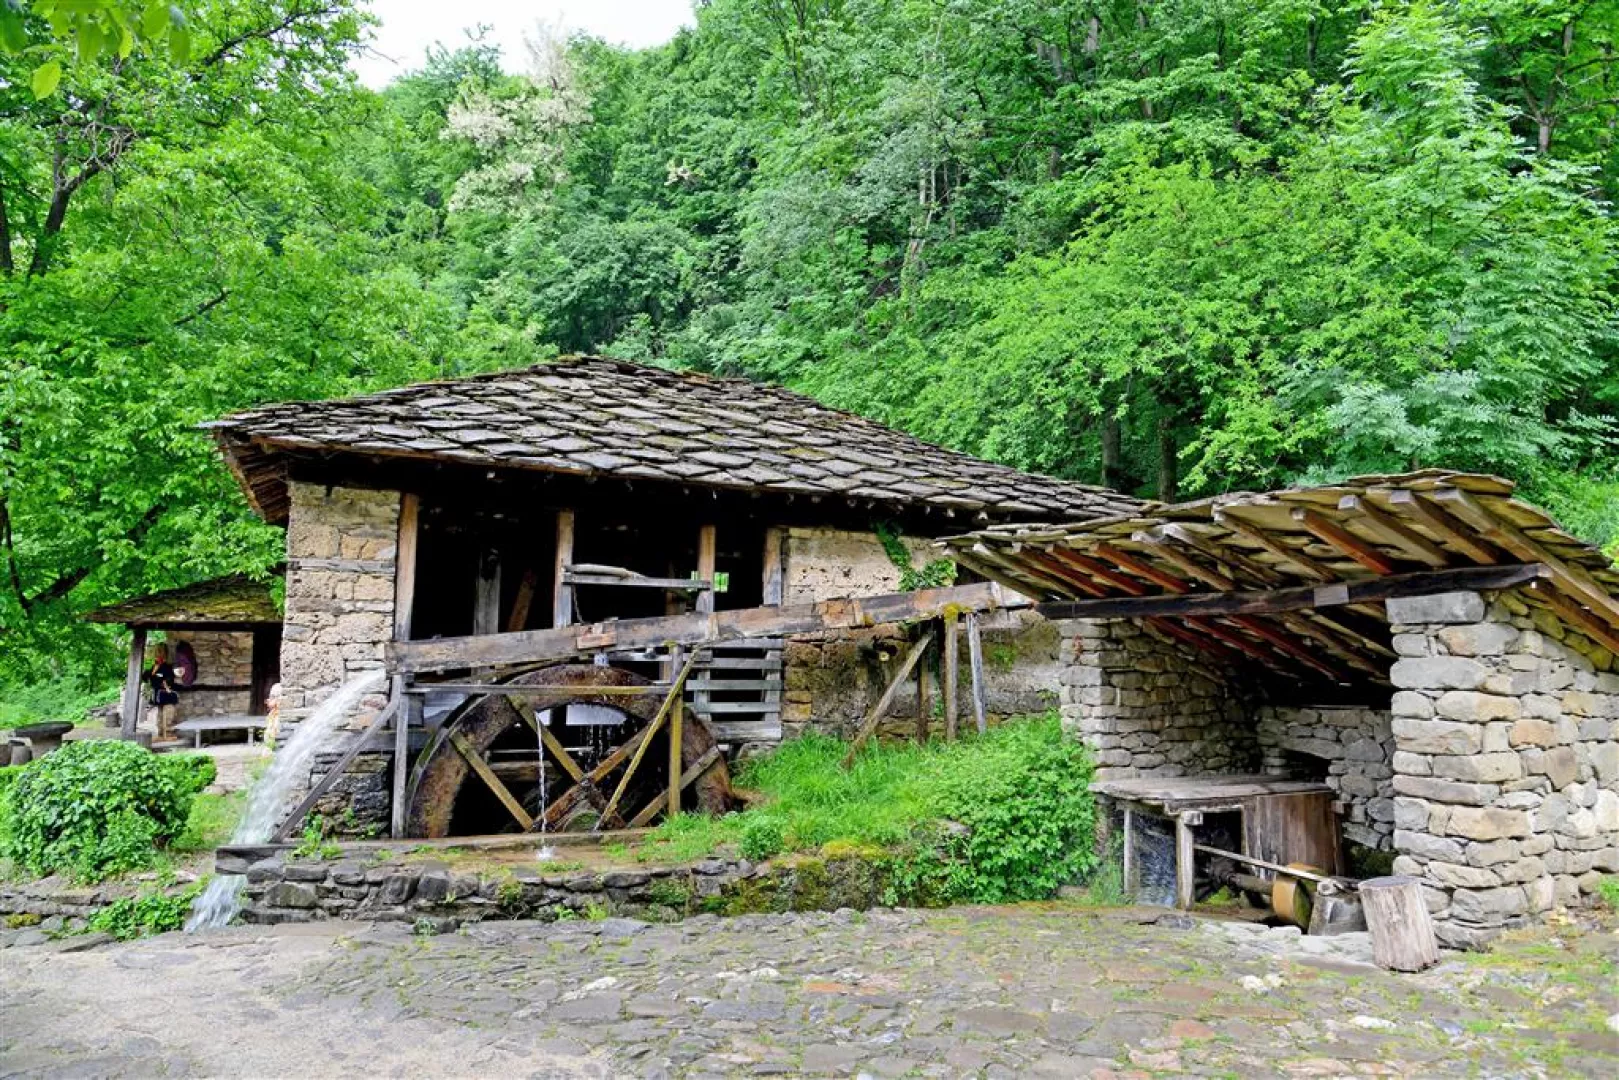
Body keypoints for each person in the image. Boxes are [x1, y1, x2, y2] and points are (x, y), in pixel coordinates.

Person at [148, 643, 180, 741]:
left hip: (162, 693)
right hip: (162, 693)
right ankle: (165, 734)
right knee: (166, 713)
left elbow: (165, 679)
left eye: (160, 652)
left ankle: (164, 734)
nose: (158, 654)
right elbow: (153, 678)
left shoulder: (163, 666)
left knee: (164, 714)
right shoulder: (157, 666)